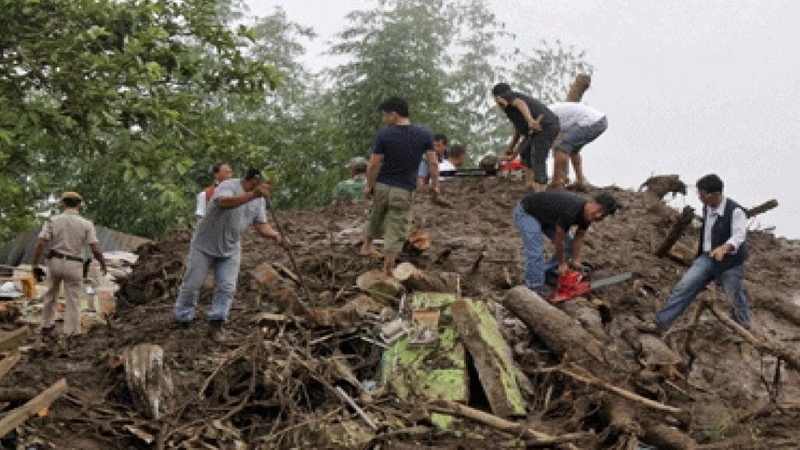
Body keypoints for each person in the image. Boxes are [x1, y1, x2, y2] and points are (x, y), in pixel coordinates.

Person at [174, 167, 288, 342]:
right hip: (204, 245)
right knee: (192, 284)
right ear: (254, 181)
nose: (268, 190)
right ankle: (183, 317)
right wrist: (253, 195)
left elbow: (260, 225)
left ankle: (217, 323)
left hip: (231, 247)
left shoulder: (259, 200)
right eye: (267, 185)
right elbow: (223, 202)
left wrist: (276, 236)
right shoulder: (229, 186)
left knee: (227, 287)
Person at [637, 174, 751, 336]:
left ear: (715, 195)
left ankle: (743, 331)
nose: (699, 197)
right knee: (684, 288)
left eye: (702, 194)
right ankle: (660, 324)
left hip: (730, 263)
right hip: (706, 258)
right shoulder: (706, 207)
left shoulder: (736, 211)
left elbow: (739, 236)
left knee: (734, 295)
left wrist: (724, 248)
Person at [360, 97, 438, 275]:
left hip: (382, 185)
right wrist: (435, 184)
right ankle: (387, 267)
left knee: (375, 214)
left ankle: (366, 246)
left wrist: (368, 185)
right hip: (403, 189)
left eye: (385, 115)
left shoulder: (384, 134)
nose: (384, 119)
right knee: (397, 225)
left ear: (394, 115)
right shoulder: (424, 134)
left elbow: (374, 164)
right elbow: (433, 162)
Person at [31, 192, 108, 342]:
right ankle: (71, 334)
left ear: (62, 204)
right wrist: (103, 264)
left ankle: (47, 326)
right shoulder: (86, 224)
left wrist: (34, 264)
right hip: (75, 264)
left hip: (55, 262)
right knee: (73, 299)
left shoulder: (52, 221)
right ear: (79, 205)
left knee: (50, 295)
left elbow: (41, 243)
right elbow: (95, 248)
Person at [513, 190, 618, 296]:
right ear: (591, 202)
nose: (598, 215)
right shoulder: (572, 211)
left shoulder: (589, 215)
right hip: (527, 213)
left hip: (548, 217)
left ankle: (548, 272)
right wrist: (562, 263)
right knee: (536, 251)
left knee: (570, 245)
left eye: (603, 215)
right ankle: (534, 288)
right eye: (598, 210)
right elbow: (560, 240)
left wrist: (575, 260)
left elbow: (580, 235)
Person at [492, 83, 560, 191]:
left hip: (544, 125)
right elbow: (519, 129)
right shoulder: (511, 109)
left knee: (538, 156)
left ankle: (541, 187)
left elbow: (520, 103)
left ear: (495, 97)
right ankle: (529, 184)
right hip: (541, 127)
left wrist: (530, 121)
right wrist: (512, 148)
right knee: (525, 151)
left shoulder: (504, 96)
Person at [547, 102, 607, 191]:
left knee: (559, 148)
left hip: (591, 122)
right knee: (573, 151)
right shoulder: (549, 110)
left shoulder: (545, 114)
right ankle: (580, 182)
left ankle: (556, 183)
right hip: (600, 121)